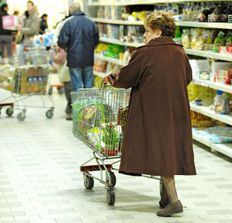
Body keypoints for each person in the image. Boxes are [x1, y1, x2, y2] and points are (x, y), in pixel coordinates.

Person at [107, 11, 196, 217]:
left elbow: (127, 77)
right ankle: (166, 198)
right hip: (176, 110)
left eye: (146, 31)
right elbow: (187, 77)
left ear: (157, 31)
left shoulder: (145, 52)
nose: (144, 35)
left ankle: (174, 201)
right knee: (168, 150)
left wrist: (112, 78)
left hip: (153, 110)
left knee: (161, 152)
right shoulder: (180, 52)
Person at [58, 2, 99, 95]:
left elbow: (62, 41)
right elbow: (96, 41)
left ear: (70, 10)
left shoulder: (68, 23)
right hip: (88, 58)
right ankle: (89, 107)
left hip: (74, 59)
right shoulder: (91, 23)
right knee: (89, 85)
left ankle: (79, 108)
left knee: (77, 86)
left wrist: (65, 48)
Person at [54, 14, 74, 120]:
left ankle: (70, 108)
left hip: (67, 57)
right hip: (77, 57)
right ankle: (71, 108)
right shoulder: (65, 25)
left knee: (68, 82)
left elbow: (57, 42)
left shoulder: (62, 25)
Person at [17, 1, 40, 65]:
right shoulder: (25, 16)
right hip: (23, 40)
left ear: (33, 6)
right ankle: (22, 71)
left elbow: (33, 30)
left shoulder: (35, 17)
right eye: (27, 6)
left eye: (29, 6)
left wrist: (21, 29)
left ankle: (35, 72)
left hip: (32, 40)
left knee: (34, 58)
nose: (28, 7)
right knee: (20, 56)